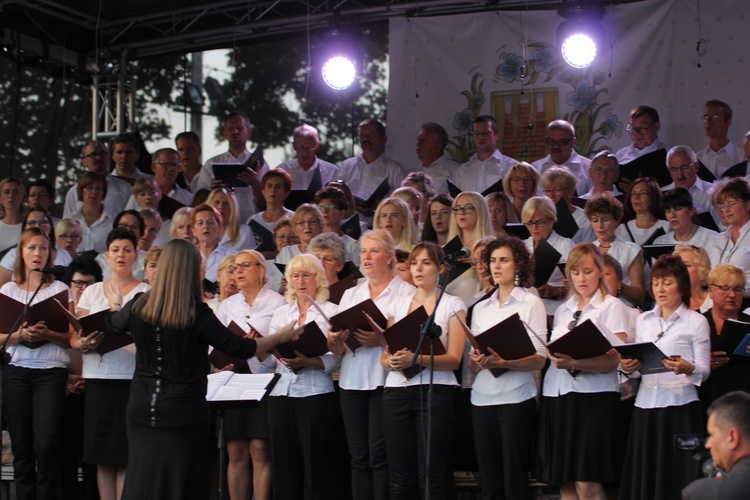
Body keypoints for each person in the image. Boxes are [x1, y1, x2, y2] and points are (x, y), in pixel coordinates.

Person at [103, 239, 300, 499]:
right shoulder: (196, 313)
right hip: (183, 410)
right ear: (193, 270)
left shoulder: (139, 304)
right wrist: (281, 336)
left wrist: (116, 305)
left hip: (141, 406)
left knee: (143, 479)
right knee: (180, 481)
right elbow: (240, 347)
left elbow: (113, 324)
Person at [328, 229, 416, 500]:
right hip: (352, 379)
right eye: (363, 251)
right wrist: (334, 339)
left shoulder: (406, 292)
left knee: (380, 456)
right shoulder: (350, 294)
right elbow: (337, 350)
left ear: (389, 257)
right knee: (358, 456)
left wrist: (380, 340)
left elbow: (411, 340)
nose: (366, 257)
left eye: (373, 251)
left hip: (385, 381)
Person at [538, 243, 628, 500]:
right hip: (559, 395)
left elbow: (614, 361)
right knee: (565, 482)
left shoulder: (611, 306)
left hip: (595, 398)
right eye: (575, 272)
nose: (581, 278)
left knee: (587, 481)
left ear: (600, 271)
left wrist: (575, 363)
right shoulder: (564, 309)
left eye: (587, 271)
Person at [619, 254, 711, 500]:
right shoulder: (644, 320)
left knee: (678, 473)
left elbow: (704, 368)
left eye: (667, 282)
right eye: (656, 282)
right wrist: (629, 366)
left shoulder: (697, 321)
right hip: (646, 406)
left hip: (680, 406)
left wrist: (687, 368)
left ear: (681, 285)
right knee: (646, 474)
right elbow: (639, 367)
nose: (660, 288)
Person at [380, 241, 467, 498]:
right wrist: (391, 362)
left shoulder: (453, 304)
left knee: (431, 477)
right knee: (399, 477)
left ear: (441, 268)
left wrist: (418, 359)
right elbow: (385, 355)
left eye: (426, 263)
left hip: (435, 392)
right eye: (414, 263)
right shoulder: (397, 303)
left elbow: (454, 358)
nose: (418, 269)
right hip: (396, 392)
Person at [70, 228, 151, 500]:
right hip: (98, 378)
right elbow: (74, 337)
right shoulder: (92, 292)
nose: (121, 255)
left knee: (127, 453)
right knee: (103, 454)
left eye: (127, 250)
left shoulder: (147, 292)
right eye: (116, 249)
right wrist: (83, 343)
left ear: (136, 255)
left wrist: (119, 316)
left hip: (132, 380)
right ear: (107, 255)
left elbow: (153, 338)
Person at [469, 236, 546, 499]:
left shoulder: (530, 302)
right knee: (489, 481)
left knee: (514, 479)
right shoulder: (480, 307)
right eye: (492, 261)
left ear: (518, 265)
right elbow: (473, 361)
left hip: (516, 398)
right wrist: (478, 361)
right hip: (481, 399)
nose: (496, 266)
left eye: (504, 260)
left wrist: (505, 362)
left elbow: (540, 359)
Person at [1, 228, 74, 500]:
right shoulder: (8, 289)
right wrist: (20, 335)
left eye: (43, 248)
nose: (37, 253)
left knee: (46, 444)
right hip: (17, 371)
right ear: (21, 252)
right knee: (21, 445)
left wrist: (47, 334)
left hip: (50, 373)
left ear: (50, 254)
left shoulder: (60, 289)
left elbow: (71, 339)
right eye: (31, 248)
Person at [264, 253, 341, 499]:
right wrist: (260, 348)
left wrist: (309, 360)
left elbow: (338, 357)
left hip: (315, 393)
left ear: (318, 279)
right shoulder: (281, 313)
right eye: (294, 276)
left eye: (306, 275)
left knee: (316, 464)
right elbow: (270, 359)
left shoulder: (331, 311)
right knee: (284, 465)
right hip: (281, 394)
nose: (300, 280)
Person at [215, 249, 286, 500]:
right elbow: (213, 344)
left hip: (264, 381)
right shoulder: (226, 305)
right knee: (235, 450)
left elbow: (284, 347)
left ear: (262, 270)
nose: (239, 271)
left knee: (259, 447)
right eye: (235, 267)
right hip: (233, 379)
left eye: (246, 265)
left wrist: (260, 345)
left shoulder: (278, 302)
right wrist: (216, 364)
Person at [194, 111, 270, 222]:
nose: (235, 131)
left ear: (248, 132)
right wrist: (212, 190)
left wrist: (255, 183)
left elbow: (268, 203)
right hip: (219, 226)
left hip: (252, 224)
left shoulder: (260, 164)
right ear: (225, 133)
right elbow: (198, 203)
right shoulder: (211, 163)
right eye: (231, 128)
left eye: (239, 128)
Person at [698, 264, 750, 411]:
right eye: (725, 288)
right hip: (707, 397)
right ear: (711, 291)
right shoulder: (696, 323)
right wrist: (702, 363)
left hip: (745, 401)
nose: (732, 295)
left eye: (738, 289)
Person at [682, 391, 750, 499]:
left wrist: (721, 486)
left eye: (712, 435)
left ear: (732, 437)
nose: (708, 445)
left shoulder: (702, 493)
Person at [338, 118, 406, 223]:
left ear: (383, 139)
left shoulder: (395, 170)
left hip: (381, 228)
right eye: (362, 135)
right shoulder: (347, 166)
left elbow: (402, 204)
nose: (365, 139)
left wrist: (377, 209)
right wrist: (353, 205)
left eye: (371, 135)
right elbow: (336, 197)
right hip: (348, 226)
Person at [585, 194, 646, 306]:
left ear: (617, 220)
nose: (600, 225)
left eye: (605, 219)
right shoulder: (588, 250)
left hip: (622, 309)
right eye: (595, 220)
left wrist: (617, 284)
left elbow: (640, 296)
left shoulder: (631, 250)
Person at [522, 196, 573, 315]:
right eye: (529, 223)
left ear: (551, 220)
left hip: (555, 309)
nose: (534, 228)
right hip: (526, 309)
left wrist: (556, 290)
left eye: (539, 222)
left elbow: (578, 284)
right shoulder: (523, 246)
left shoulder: (565, 245)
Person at [0, 207, 72, 285]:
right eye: (31, 222)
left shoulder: (64, 254)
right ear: (25, 227)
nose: (37, 226)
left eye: (42, 222)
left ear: (51, 226)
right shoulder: (13, 255)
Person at [63, 141, 131, 218]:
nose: (98, 158)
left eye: (102, 154)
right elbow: (67, 224)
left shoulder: (125, 188)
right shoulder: (74, 192)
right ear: (84, 162)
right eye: (93, 154)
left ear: (108, 158)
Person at [706, 177, 750, 296]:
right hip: (718, 301)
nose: (726, 210)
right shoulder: (718, 239)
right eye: (722, 206)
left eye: (731, 204)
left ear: (747, 205)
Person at [454, 115, 517, 193]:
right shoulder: (462, 170)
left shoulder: (511, 166)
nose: (481, 137)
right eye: (477, 133)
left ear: (497, 135)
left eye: (486, 133)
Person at [614, 105, 669, 189]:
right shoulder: (620, 154)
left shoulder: (669, 153)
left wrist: (640, 188)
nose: (637, 133)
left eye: (643, 128)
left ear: (656, 126)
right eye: (633, 128)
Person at [532, 119, 592, 195]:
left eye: (561, 142)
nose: (555, 146)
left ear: (573, 141)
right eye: (551, 141)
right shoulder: (535, 169)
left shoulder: (589, 168)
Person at [275, 124, 340, 189]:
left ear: (317, 147)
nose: (304, 153)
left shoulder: (332, 172)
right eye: (301, 148)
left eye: (309, 149)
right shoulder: (283, 170)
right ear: (294, 146)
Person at [247, 169, 295, 257]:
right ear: (263, 191)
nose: (273, 190)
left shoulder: (294, 218)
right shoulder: (252, 220)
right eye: (269, 186)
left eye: (278, 187)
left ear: (286, 193)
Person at [541, 167, 595, 243]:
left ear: (570, 192)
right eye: (547, 190)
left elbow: (589, 248)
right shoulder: (541, 216)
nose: (551, 195)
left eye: (556, 190)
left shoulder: (585, 218)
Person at [696, 100, 745, 179]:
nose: (708, 121)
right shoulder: (697, 159)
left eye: (714, 117)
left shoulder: (742, 157)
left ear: (728, 123)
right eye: (706, 117)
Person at [616, 177, 671, 247]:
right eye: (633, 193)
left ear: (654, 197)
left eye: (642, 193)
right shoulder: (622, 230)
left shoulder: (666, 227)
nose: (636, 197)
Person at [313, 186, 361, 264]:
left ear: (342, 213)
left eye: (330, 206)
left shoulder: (353, 246)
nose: (324, 211)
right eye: (320, 207)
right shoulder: (312, 242)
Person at [69, 171, 114, 254]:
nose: (94, 192)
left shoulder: (113, 221)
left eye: (98, 188)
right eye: (89, 187)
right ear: (81, 191)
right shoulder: (70, 219)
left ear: (103, 192)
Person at [663, 145, 716, 215]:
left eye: (684, 168)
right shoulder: (661, 195)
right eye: (674, 170)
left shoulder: (714, 192)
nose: (680, 175)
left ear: (696, 166)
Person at [414, 123, 458, 195]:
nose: (418, 143)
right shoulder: (418, 172)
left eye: (425, 140)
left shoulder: (454, 169)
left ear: (438, 146)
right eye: (418, 139)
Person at [207, 187, 255, 252]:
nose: (221, 207)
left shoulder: (244, 232)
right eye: (217, 202)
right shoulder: (201, 230)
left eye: (226, 204)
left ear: (233, 208)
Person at [191, 203, 229, 283]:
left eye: (210, 222)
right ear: (193, 230)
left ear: (219, 228)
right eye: (200, 223)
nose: (205, 226)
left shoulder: (231, 257)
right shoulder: (187, 257)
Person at [674, 244, 713, 312]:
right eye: (678, 265)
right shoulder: (668, 300)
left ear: (702, 271)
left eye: (687, 265)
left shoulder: (714, 301)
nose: (680, 270)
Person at [0, 177, 26, 252]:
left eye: (15, 192)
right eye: (6, 192)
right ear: (0, 198)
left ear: (22, 197)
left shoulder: (29, 225)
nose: (11, 195)